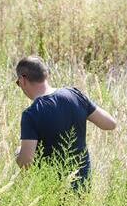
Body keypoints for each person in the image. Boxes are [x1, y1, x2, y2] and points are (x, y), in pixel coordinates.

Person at [14, 56, 116, 189]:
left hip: (52, 190)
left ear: (22, 80)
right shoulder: (75, 95)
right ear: (46, 75)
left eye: (18, 82)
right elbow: (110, 124)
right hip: (82, 183)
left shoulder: (31, 114)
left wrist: (18, 154)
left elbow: (26, 162)